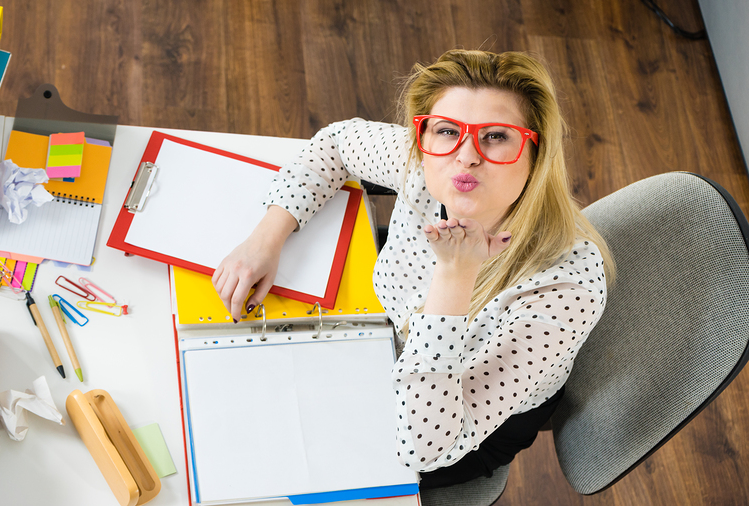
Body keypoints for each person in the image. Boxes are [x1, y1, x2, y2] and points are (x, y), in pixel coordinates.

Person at [212, 49, 615, 488]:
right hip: (373, 336)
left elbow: (426, 446)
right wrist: (266, 238)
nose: (465, 156)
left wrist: (455, 276)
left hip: (457, 422)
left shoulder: (568, 286)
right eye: (446, 130)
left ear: (537, 150)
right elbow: (338, 141)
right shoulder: (425, 165)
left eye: (496, 136)